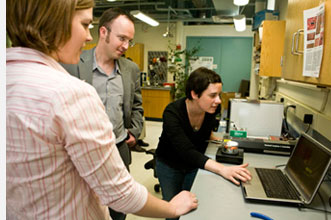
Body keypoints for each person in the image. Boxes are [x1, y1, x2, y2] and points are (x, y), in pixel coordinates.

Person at [6, 0, 198, 219]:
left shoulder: (10, 77)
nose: (89, 36)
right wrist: (172, 208)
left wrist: (134, 132)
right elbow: (120, 192)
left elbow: (136, 105)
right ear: (55, 21)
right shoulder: (70, 87)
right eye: (85, 24)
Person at [61, 8, 147, 219]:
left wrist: (135, 132)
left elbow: (137, 105)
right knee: (84, 207)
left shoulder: (131, 69)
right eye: (121, 38)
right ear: (103, 32)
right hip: (80, 152)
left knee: (119, 210)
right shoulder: (72, 63)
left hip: (118, 149)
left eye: (130, 41)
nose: (126, 46)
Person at [155, 67, 252, 220]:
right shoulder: (172, 113)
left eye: (219, 95)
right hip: (170, 166)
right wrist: (223, 169)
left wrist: (220, 140)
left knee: (192, 208)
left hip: (194, 165)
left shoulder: (211, 109)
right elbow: (186, 150)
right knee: (173, 210)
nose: (218, 101)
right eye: (213, 95)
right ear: (194, 94)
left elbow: (205, 133)